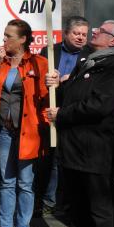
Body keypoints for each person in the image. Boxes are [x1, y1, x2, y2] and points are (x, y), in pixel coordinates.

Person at [47, 20, 114, 227]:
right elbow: (75, 94)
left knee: (98, 207)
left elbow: (99, 106)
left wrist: (62, 113)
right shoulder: (89, 61)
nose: (94, 32)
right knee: (77, 202)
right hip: (73, 146)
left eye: (100, 31)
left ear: (113, 41)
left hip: (94, 148)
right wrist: (57, 85)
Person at [0, 19, 49, 227]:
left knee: (25, 184)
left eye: (9, 36)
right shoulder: (1, 61)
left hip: (28, 131)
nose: (4, 40)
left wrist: (53, 84)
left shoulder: (39, 63)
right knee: (7, 182)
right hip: (4, 131)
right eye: (4, 35)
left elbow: (45, 99)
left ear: (23, 39)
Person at [35, 16, 92, 216]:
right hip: (50, 110)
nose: (81, 38)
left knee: (67, 160)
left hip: (75, 114)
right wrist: (46, 79)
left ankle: (64, 200)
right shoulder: (50, 51)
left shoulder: (91, 55)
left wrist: (69, 81)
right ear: (66, 33)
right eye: (76, 33)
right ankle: (46, 199)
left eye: (84, 34)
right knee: (47, 159)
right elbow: (38, 80)